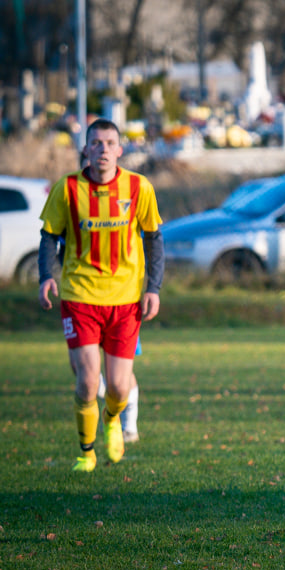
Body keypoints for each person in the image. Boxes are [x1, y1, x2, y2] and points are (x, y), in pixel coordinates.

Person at [38, 118, 164, 472]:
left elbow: (154, 239)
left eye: (110, 143)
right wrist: (46, 276)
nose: (103, 149)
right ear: (86, 150)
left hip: (125, 301)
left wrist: (153, 288)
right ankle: (86, 452)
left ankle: (112, 419)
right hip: (80, 297)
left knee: (120, 388)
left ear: (120, 150)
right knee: (88, 379)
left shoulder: (139, 188)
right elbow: (49, 235)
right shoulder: (67, 189)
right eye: (96, 143)